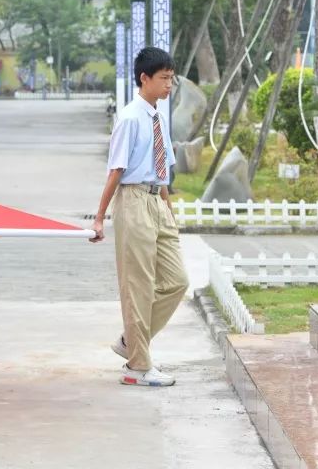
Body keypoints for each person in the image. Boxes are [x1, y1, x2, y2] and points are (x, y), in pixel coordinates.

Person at [92, 47, 188, 388]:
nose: (169, 85)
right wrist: (100, 216)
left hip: (156, 201)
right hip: (132, 200)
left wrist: (169, 211)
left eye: (171, 79)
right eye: (163, 79)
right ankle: (137, 366)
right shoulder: (131, 118)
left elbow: (162, 173)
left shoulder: (157, 116)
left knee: (177, 281)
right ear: (144, 78)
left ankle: (131, 341)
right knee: (138, 286)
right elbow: (116, 169)